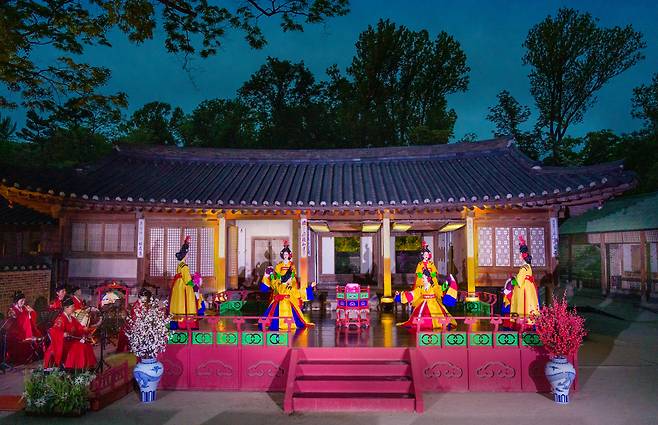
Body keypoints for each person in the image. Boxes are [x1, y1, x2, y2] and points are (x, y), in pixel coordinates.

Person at [259, 241, 315, 331]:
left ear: (289, 255)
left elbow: (298, 290)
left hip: (288, 292)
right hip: (279, 293)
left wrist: (309, 287)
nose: (285, 256)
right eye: (284, 254)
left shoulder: (291, 266)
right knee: (273, 314)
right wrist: (269, 275)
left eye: (286, 254)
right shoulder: (278, 268)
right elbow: (273, 280)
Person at [43, 296, 97, 370]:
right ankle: (76, 368)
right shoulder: (61, 319)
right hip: (64, 343)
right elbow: (54, 331)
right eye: (72, 307)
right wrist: (62, 334)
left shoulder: (72, 318)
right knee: (81, 347)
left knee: (87, 345)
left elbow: (79, 327)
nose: (74, 308)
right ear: (66, 308)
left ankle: (87, 368)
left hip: (72, 341)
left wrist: (84, 329)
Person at [510, 235, 540, 327]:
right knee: (530, 305)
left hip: (524, 290)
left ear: (522, 256)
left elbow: (518, 282)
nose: (519, 256)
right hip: (529, 289)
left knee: (524, 306)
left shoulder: (523, 268)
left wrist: (512, 281)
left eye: (520, 254)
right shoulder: (529, 267)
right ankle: (531, 321)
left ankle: (523, 324)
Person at [5, 291, 42, 365]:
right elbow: (11, 324)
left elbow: (33, 315)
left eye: (24, 300)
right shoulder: (12, 310)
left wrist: (30, 312)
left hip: (26, 332)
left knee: (39, 336)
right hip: (16, 334)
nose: (23, 302)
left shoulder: (24, 308)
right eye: (21, 300)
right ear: (16, 301)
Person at [169, 236, 197, 329]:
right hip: (183, 287)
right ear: (185, 255)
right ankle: (185, 323)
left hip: (178, 286)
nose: (188, 255)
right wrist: (194, 285)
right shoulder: (184, 266)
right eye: (187, 254)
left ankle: (176, 322)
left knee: (178, 302)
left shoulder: (179, 264)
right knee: (185, 303)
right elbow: (187, 280)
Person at [116, 288, 152, 353]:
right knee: (124, 333)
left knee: (124, 333)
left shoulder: (142, 304)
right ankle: (128, 349)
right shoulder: (138, 304)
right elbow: (135, 317)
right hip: (135, 325)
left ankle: (128, 349)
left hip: (137, 325)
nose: (147, 299)